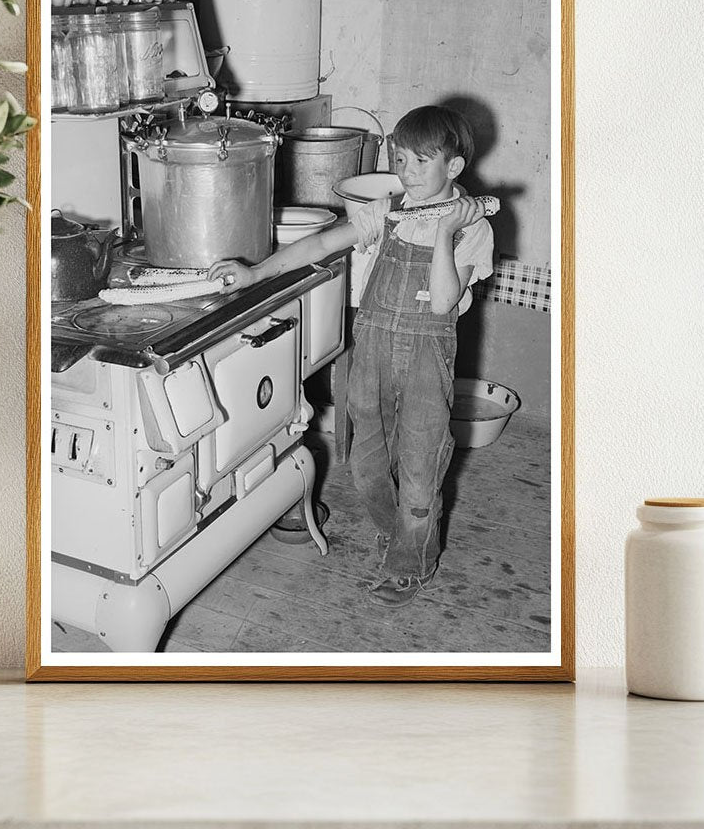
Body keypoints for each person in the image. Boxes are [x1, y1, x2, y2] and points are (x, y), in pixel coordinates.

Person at [209, 105, 495, 607]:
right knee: (365, 465)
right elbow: (320, 243)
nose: (405, 173)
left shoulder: (473, 228)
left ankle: (414, 560)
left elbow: (446, 300)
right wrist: (255, 274)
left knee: (420, 470)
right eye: (400, 160)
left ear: (453, 168)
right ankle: (401, 532)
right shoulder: (387, 211)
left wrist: (447, 233)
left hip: (428, 358)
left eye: (419, 163)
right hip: (373, 355)